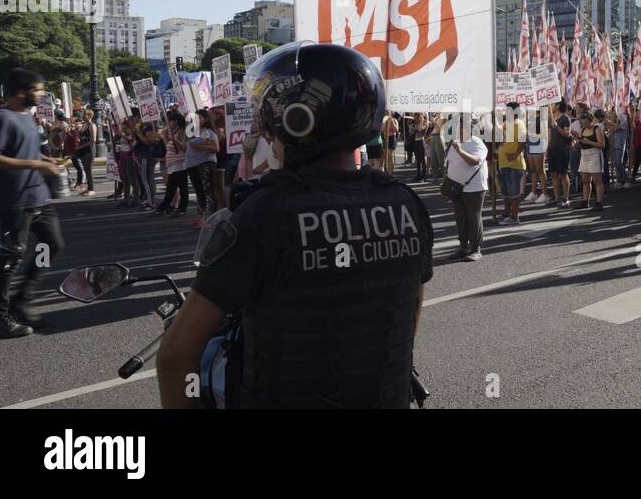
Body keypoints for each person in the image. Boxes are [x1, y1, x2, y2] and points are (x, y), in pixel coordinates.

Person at [157, 42, 433, 408]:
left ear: (293, 121)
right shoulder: (406, 203)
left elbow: (176, 356)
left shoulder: (263, 214)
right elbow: (406, 316)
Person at [0, 69, 66, 338]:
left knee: (52, 244)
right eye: (37, 90)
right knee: (11, 258)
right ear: (21, 92)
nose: (41, 94)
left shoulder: (28, 117)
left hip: (38, 197)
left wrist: (42, 159)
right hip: (15, 201)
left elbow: (25, 149)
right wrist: (34, 163)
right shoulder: (3, 119)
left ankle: (22, 298)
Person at [445, 114, 488, 262]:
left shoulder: (477, 143)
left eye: (463, 127)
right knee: (460, 218)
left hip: (474, 188)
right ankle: (463, 247)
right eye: (459, 127)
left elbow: (474, 162)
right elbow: (449, 164)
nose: (460, 129)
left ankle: (476, 249)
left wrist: (460, 151)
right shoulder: (455, 142)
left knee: (473, 218)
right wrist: (446, 184)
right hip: (456, 188)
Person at [185, 109, 220, 221]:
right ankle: (200, 217)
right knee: (198, 190)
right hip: (191, 164)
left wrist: (199, 146)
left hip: (205, 163)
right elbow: (184, 146)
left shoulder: (209, 132)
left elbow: (216, 148)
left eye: (199, 118)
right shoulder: (191, 132)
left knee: (208, 190)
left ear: (205, 120)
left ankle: (212, 216)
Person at [496, 103, 527, 225]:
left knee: (514, 193)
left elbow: (523, 139)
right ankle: (506, 213)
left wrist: (515, 154)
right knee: (507, 192)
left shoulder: (518, 124)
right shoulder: (506, 124)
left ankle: (514, 217)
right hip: (504, 163)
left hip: (514, 164)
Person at [154, 111, 189, 217]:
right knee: (171, 187)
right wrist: (165, 137)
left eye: (170, 121)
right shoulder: (172, 132)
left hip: (180, 164)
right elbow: (168, 147)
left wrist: (174, 139)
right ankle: (165, 206)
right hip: (172, 164)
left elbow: (182, 148)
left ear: (176, 122)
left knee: (181, 187)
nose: (169, 123)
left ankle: (181, 208)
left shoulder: (182, 132)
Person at [577, 111, 606, 211]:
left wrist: (588, 141)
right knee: (585, 181)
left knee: (597, 181)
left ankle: (599, 203)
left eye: (586, 123)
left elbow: (602, 145)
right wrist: (577, 144)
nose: (585, 125)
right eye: (583, 123)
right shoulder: (582, 130)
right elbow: (580, 143)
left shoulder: (597, 129)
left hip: (594, 154)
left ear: (591, 121)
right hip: (584, 155)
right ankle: (585, 201)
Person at [546, 101, 572, 208]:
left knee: (563, 174)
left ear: (557, 105)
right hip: (552, 149)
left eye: (552, 104)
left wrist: (556, 127)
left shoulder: (565, 118)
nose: (551, 106)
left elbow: (567, 134)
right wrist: (547, 149)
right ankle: (557, 198)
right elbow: (550, 135)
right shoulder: (551, 119)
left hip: (562, 149)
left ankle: (566, 198)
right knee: (554, 174)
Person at [524, 109, 549, 203]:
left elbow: (544, 135)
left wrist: (529, 133)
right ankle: (534, 193)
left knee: (540, 170)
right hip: (530, 146)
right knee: (533, 171)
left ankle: (544, 194)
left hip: (539, 147)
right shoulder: (530, 119)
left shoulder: (542, 119)